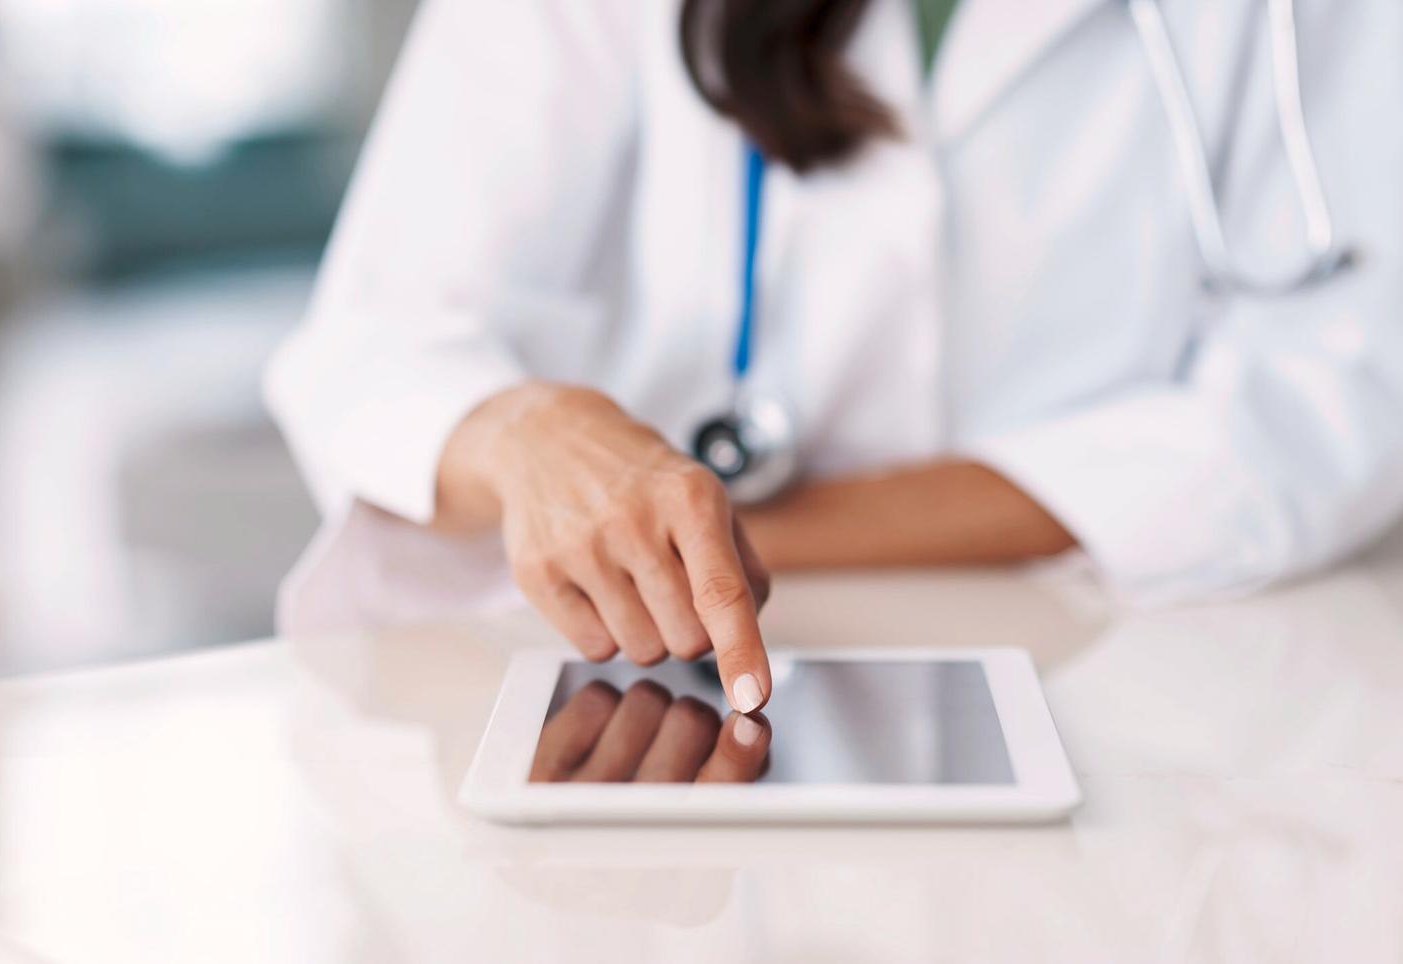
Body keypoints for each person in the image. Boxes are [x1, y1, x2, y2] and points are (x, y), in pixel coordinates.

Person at [266, 0, 1403, 714]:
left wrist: (697, 542)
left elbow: (1335, 393)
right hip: (670, 689)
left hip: (1149, 663)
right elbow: (378, 334)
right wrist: (526, 436)